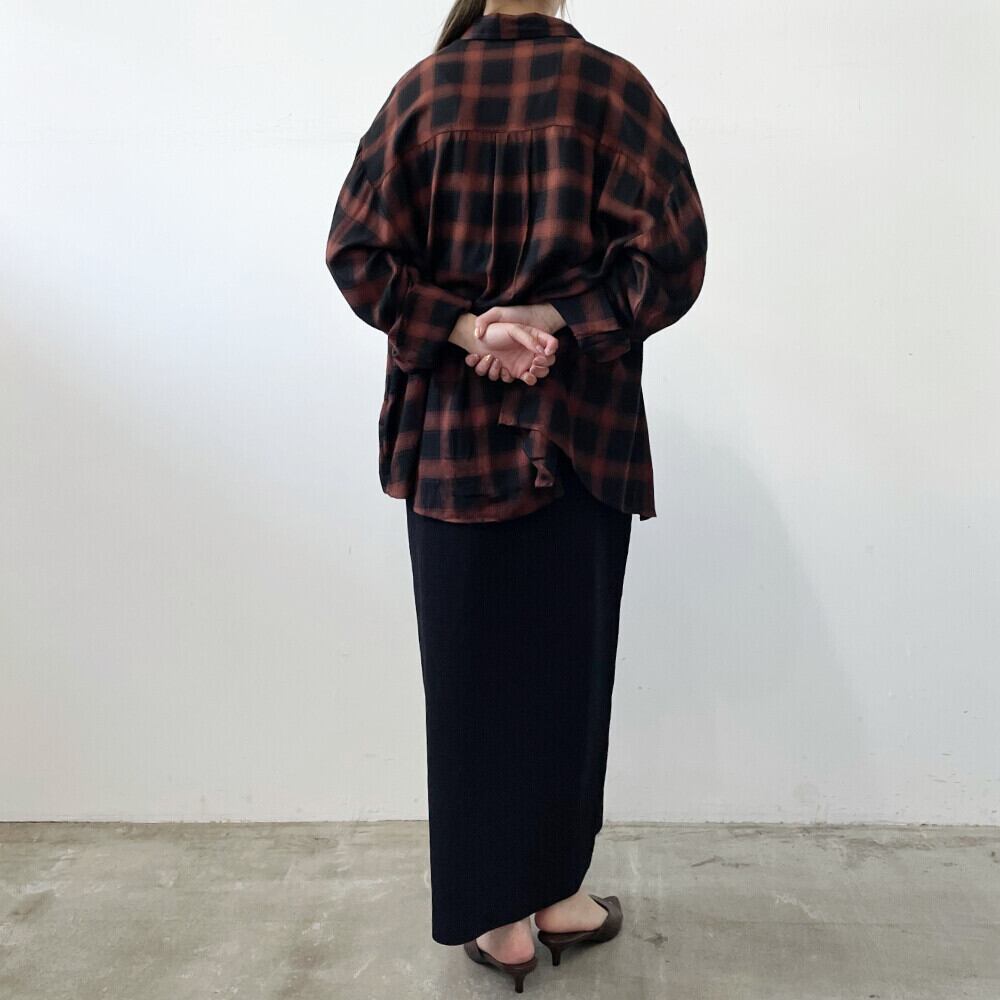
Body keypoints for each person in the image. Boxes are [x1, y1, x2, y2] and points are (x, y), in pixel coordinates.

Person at [325, 0, 707, 990]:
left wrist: (468, 329)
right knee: (567, 678)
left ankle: (501, 921)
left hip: (449, 444)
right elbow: (672, 260)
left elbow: (356, 254)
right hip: (582, 438)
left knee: (468, 684)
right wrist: (550, 318)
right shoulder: (612, 91)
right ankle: (555, 896)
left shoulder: (423, 93)